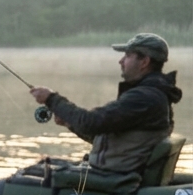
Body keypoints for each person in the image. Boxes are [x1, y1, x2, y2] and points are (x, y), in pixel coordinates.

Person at [29, 33, 181, 185]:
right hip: (117, 173)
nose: (121, 61)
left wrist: (51, 99)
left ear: (144, 62)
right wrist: (69, 123)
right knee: (43, 165)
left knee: (28, 175)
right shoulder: (153, 94)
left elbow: (91, 122)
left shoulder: (144, 97)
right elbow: (106, 136)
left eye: (127, 56)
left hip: (116, 179)